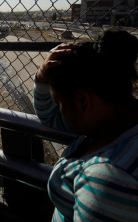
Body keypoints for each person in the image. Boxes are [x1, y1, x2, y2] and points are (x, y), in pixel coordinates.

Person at [33, 30, 138, 221]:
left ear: (82, 100)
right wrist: (41, 77)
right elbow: (50, 117)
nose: (59, 111)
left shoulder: (109, 180)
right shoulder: (110, 119)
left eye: (60, 104)